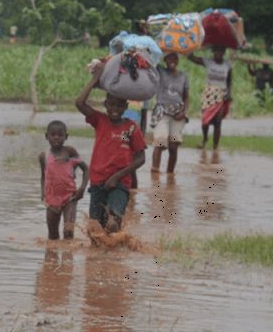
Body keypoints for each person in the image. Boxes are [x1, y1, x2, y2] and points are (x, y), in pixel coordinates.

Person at [76, 65, 146, 233]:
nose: (115, 109)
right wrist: (94, 80)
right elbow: (79, 103)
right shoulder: (99, 120)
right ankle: (102, 259)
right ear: (106, 104)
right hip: (98, 181)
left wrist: (118, 176)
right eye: (111, 105)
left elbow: (140, 158)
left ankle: (115, 255)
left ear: (125, 107)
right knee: (95, 229)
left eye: (119, 106)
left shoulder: (131, 128)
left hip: (120, 183)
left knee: (113, 222)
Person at [39, 120, 89, 240]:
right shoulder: (43, 156)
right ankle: (52, 257)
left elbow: (86, 169)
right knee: (53, 236)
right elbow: (43, 176)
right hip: (52, 199)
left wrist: (82, 188)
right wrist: (43, 193)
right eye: (53, 135)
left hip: (70, 197)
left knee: (68, 232)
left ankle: (68, 258)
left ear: (66, 137)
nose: (56, 137)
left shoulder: (69, 151)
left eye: (60, 135)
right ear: (47, 136)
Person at [150, 52, 189, 174]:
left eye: (174, 58)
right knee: (160, 142)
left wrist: (184, 112)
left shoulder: (183, 76)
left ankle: (170, 175)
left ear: (177, 60)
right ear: (165, 60)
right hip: (162, 111)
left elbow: (186, 97)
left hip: (178, 114)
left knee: (173, 146)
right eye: (168, 58)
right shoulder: (160, 71)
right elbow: (151, 61)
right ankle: (155, 172)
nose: (171, 61)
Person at [188, 45, 232, 150]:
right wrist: (196, 46)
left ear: (224, 52)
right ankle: (204, 139)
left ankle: (215, 146)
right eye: (217, 51)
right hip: (209, 94)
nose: (219, 53)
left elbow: (229, 81)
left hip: (222, 95)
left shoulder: (227, 65)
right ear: (213, 51)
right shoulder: (208, 62)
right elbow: (190, 57)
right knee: (205, 120)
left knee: (218, 122)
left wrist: (229, 94)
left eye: (221, 51)